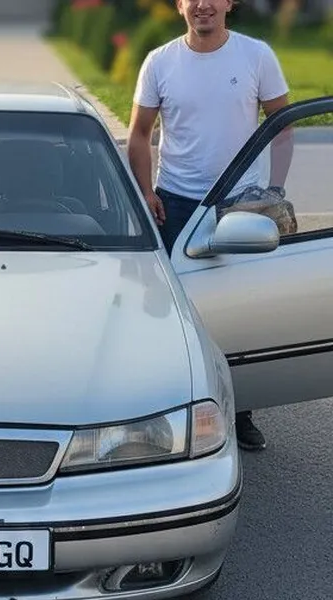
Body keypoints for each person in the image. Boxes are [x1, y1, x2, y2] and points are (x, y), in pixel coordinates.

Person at [127, 0, 292, 451]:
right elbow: (139, 133)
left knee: (240, 309)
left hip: (240, 205)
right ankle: (173, 408)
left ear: (229, 3)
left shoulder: (256, 56)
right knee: (176, 311)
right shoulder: (160, 62)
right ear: (180, 5)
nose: (203, 5)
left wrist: (274, 191)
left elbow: (282, 126)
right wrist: (146, 192)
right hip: (176, 205)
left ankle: (241, 411)